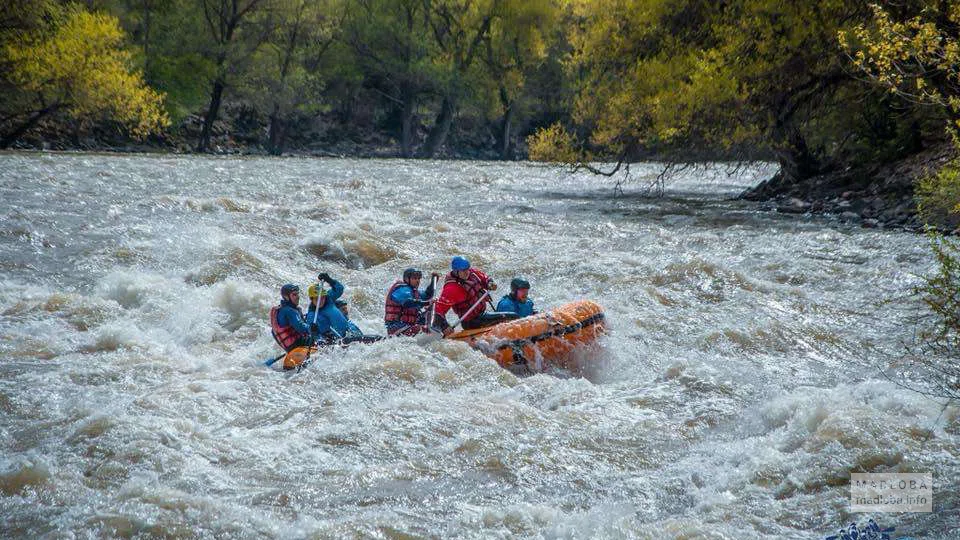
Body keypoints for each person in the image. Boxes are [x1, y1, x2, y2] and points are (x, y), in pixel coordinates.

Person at [434, 256, 514, 333]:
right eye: (463, 271)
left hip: (481, 314)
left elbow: (485, 278)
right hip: (470, 321)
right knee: (510, 317)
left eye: (467, 269)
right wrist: (444, 326)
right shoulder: (451, 289)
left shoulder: (472, 273)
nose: (467, 272)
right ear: (456, 271)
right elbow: (439, 311)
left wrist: (490, 283)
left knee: (509, 316)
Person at [384, 267, 437, 337]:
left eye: (418, 278)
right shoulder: (402, 289)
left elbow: (428, 294)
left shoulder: (415, 292)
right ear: (406, 279)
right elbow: (408, 303)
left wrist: (434, 280)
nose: (418, 281)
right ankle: (430, 335)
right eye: (414, 278)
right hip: (396, 327)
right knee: (422, 329)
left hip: (407, 326)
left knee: (429, 315)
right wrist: (427, 303)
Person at [304, 272, 351, 343]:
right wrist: (313, 331)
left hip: (349, 331)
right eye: (317, 299)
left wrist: (329, 280)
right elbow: (316, 337)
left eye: (322, 298)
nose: (321, 301)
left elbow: (339, 289)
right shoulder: (312, 316)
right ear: (311, 299)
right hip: (334, 340)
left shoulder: (328, 298)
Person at [269, 283, 313, 351]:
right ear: (286, 297)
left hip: (289, 347)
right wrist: (312, 327)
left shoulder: (279, 309)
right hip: (297, 345)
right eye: (294, 295)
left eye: (298, 294)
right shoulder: (289, 311)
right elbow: (301, 328)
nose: (298, 296)